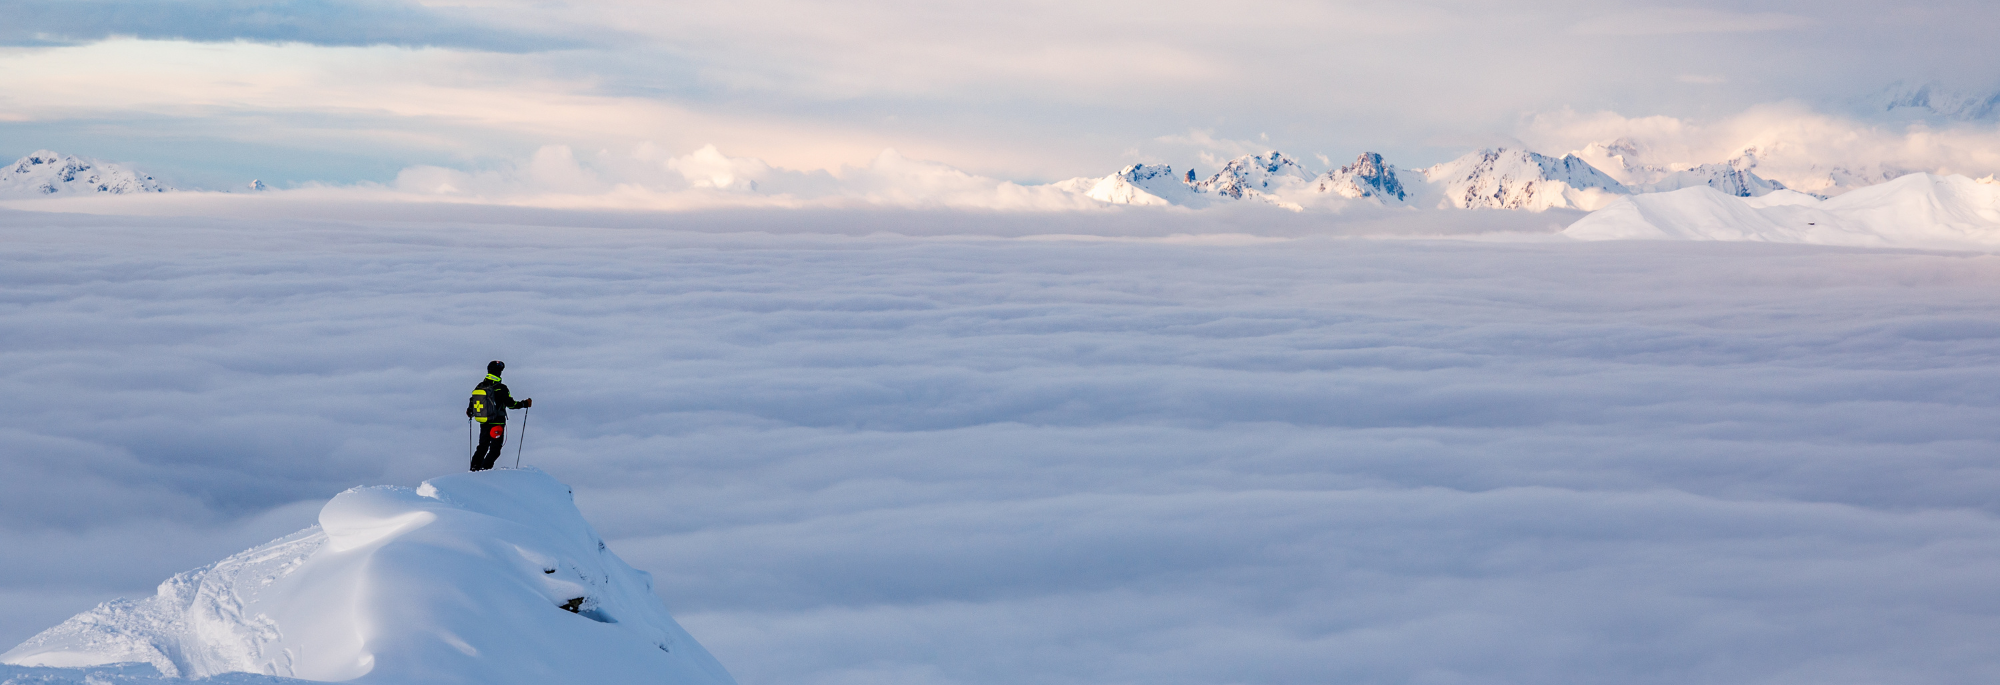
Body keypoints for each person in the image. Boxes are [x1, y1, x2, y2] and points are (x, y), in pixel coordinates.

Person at [467, 360, 531, 471]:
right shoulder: (501, 388)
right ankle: (485, 470)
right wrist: (525, 404)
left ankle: (474, 469)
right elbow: (511, 405)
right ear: (499, 372)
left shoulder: (480, 386)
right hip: (497, 422)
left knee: (482, 446)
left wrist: (471, 411)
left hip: (484, 421)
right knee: (495, 449)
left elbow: (471, 406)